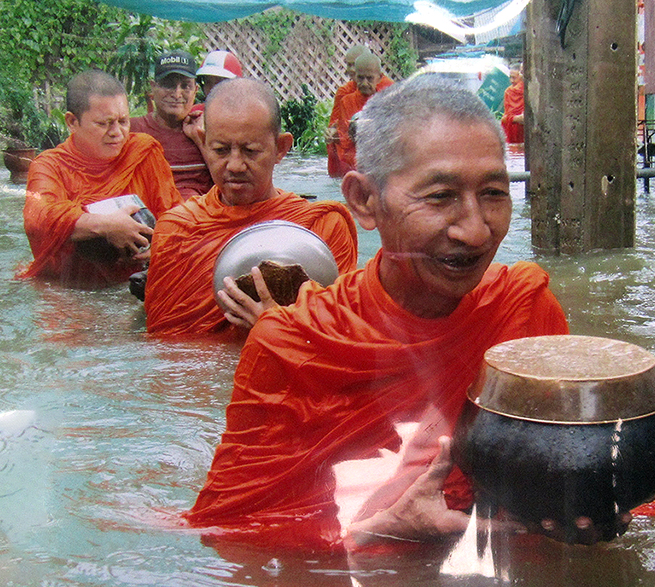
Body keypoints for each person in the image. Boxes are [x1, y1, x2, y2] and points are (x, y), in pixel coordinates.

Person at [181, 76, 631, 553]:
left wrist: (594, 507)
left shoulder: (521, 308)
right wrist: (383, 526)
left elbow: (568, 475)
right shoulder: (291, 343)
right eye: (439, 197)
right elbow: (232, 539)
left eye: (495, 193)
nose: (476, 231)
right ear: (364, 201)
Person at [143, 78, 358, 338]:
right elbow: (164, 348)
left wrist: (277, 330)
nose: (234, 165)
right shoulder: (176, 230)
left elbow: (343, 338)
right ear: (203, 141)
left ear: (281, 148)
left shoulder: (320, 228)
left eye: (250, 151)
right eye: (221, 150)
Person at [21, 70, 183, 289]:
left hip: (136, 282)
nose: (117, 132)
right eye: (104, 123)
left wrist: (161, 245)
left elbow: (175, 217)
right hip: (70, 288)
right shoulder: (48, 165)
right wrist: (105, 226)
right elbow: (37, 218)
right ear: (72, 122)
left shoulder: (144, 152)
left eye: (123, 121)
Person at [131, 51, 214, 200]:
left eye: (185, 86)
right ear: (153, 87)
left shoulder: (208, 128)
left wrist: (200, 140)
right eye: (168, 85)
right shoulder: (132, 130)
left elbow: (228, 185)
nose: (177, 94)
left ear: (195, 90)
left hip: (201, 217)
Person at [325, 45, 393, 178]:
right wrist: (337, 135)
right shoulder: (345, 98)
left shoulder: (388, 92)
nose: (364, 83)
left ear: (379, 77)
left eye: (369, 78)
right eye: (361, 77)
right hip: (356, 160)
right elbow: (340, 135)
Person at [500, 64, 525, 144]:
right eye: (510, 77)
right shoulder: (509, 92)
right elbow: (506, 115)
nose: (511, 81)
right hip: (513, 129)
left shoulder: (528, 90)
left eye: (514, 77)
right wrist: (515, 119)